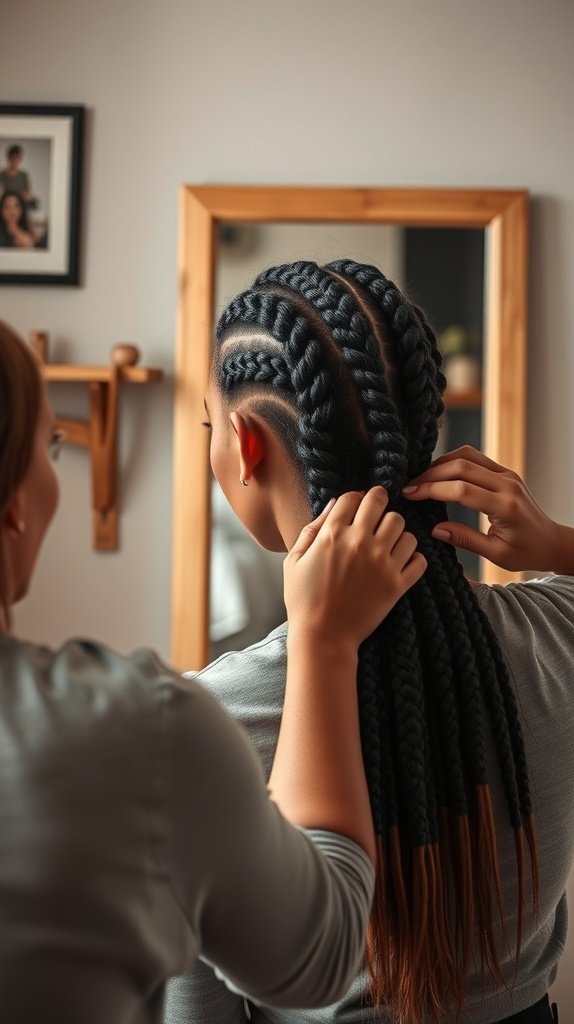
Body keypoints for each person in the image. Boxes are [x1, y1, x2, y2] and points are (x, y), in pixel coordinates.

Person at [166, 259, 574, 1024]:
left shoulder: (201, 726)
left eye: (208, 430)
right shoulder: (559, 635)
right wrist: (559, 545)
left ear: (247, 447)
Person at [0, 318, 427, 1023]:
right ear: (13, 507)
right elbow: (321, 955)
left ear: (243, 442)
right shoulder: (147, 735)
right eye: (50, 447)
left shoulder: (214, 710)